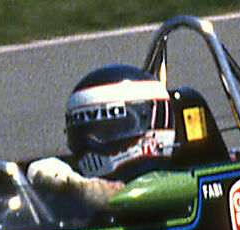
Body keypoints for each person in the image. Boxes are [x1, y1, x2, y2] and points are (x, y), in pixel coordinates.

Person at [25, 64, 176, 201]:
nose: (89, 146)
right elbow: (37, 171)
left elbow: (135, 201)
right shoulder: (76, 185)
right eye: (81, 134)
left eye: (108, 129)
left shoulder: (174, 189)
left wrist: (88, 191)